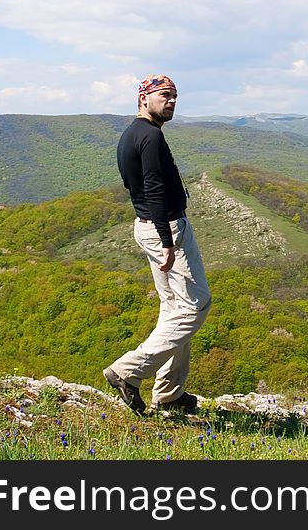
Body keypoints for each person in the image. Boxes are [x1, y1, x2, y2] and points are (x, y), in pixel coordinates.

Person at [103, 74, 211, 414]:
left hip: (147, 225)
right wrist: (167, 240)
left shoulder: (132, 134)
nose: (172, 101)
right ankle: (129, 371)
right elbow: (153, 187)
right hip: (166, 229)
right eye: (165, 95)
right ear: (143, 98)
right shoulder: (149, 137)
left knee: (174, 308)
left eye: (175, 96)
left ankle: (169, 394)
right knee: (196, 305)